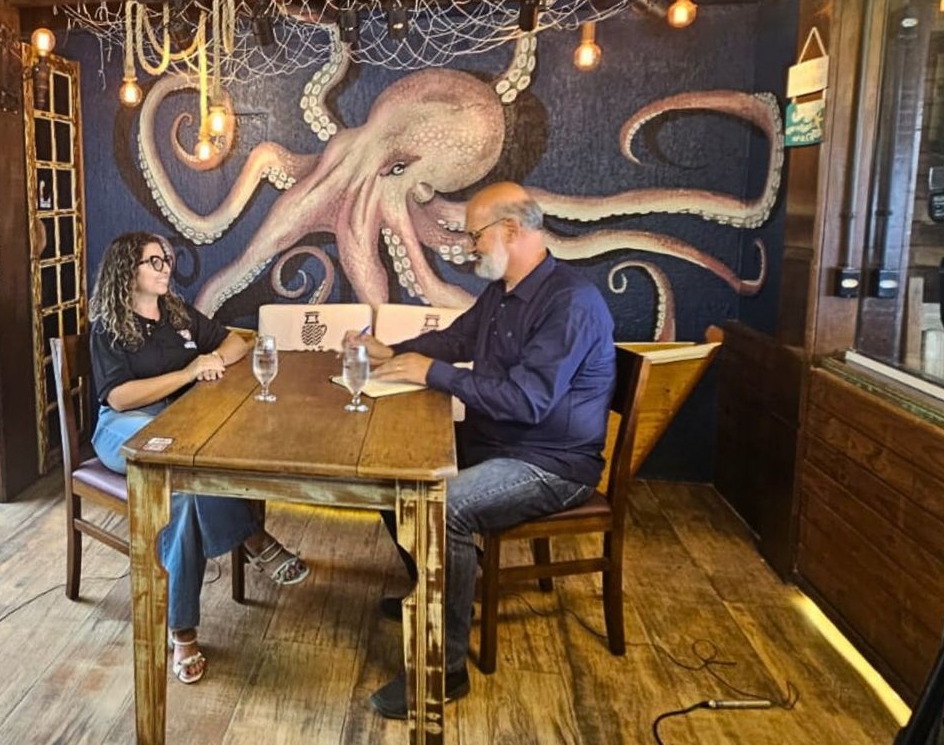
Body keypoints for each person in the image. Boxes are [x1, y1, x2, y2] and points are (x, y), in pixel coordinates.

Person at [342, 182, 616, 718]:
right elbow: (457, 339)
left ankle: (444, 669)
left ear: (510, 230)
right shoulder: (503, 292)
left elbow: (527, 402)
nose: (469, 247)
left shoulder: (570, 303)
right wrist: (393, 351)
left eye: (474, 236)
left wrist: (432, 374)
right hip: (497, 442)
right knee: (389, 474)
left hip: (550, 461)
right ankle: (436, 589)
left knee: (443, 509)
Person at [88, 231, 311, 685]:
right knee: (185, 475)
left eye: (166, 260)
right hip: (125, 426)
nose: (165, 268)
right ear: (126, 270)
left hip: (179, 420)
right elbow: (120, 396)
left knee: (188, 490)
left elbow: (236, 343)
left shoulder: (177, 313)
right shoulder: (108, 327)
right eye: (153, 261)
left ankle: (182, 629)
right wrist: (189, 371)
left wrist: (214, 360)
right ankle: (251, 538)